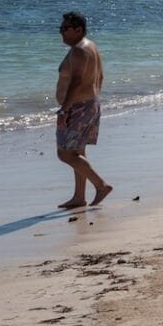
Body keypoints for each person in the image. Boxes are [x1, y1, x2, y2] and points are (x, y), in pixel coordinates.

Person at [53, 11, 113, 209]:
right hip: (89, 104)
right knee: (78, 151)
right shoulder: (90, 46)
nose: (61, 32)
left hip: (78, 108)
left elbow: (77, 82)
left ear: (78, 30)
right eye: (60, 28)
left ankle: (101, 185)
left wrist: (64, 110)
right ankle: (79, 197)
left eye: (65, 29)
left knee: (65, 154)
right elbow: (100, 77)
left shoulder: (79, 50)